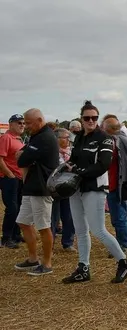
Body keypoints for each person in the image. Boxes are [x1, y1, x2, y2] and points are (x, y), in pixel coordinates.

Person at [61, 100, 127, 284]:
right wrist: (67, 165)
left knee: (98, 230)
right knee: (81, 230)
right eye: (87, 118)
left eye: (94, 117)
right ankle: (83, 268)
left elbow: (103, 165)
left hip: (95, 188)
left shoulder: (105, 138)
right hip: (76, 187)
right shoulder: (78, 138)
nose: (91, 121)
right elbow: (75, 159)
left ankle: (124, 262)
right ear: (82, 119)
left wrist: (78, 171)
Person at [13, 108, 59, 276]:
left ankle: (47, 264)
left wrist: (23, 155)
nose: (26, 126)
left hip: (41, 188)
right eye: (24, 123)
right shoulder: (37, 136)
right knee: (23, 222)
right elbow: (23, 158)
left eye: (29, 123)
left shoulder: (45, 137)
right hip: (31, 187)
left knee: (43, 226)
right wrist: (24, 155)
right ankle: (33, 259)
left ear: (40, 120)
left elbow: (22, 159)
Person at [103, 117, 127, 254]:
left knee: (118, 216)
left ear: (108, 129)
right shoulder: (124, 138)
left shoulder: (114, 141)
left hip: (115, 183)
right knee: (124, 212)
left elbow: (108, 162)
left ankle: (122, 244)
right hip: (123, 182)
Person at [0, 114, 26, 249]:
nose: (22, 125)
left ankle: (16, 234)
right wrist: (9, 174)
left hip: (19, 178)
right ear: (10, 124)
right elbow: (0, 159)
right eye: (18, 123)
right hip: (10, 178)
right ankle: (6, 237)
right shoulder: (6, 138)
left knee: (20, 207)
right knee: (12, 208)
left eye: (23, 123)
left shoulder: (19, 139)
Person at [51, 128, 76, 251]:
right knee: (53, 218)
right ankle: (50, 243)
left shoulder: (70, 152)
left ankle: (68, 242)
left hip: (68, 188)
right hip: (55, 189)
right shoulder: (52, 153)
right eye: (66, 137)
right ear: (58, 139)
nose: (68, 140)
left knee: (69, 216)